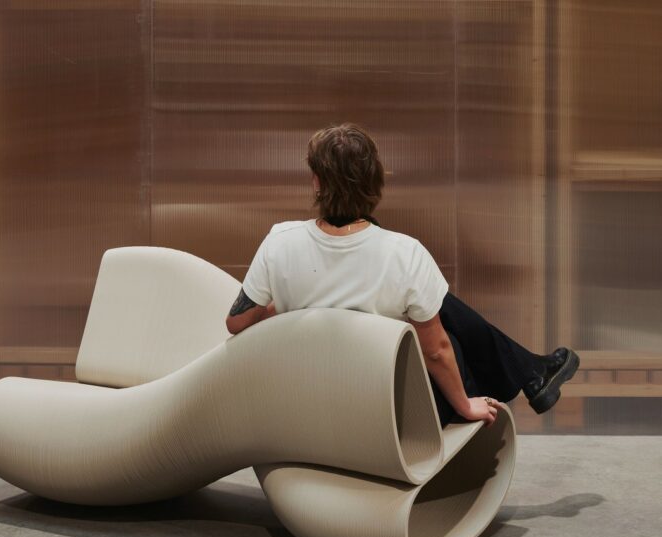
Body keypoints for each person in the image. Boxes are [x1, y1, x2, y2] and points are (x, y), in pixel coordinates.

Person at [225, 123, 579, 427]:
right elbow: (437, 352)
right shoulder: (404, 252)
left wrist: (286, 306)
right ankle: (529, 374)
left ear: (316, 182)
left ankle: (531, 372)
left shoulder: (280, 241)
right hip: (387, 412)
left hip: (306, 405)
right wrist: (464, 405)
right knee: (445, 337)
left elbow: (237, 322)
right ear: (377, 180)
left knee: (433, 313)